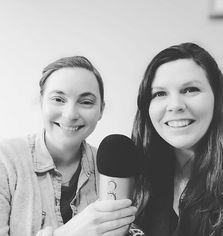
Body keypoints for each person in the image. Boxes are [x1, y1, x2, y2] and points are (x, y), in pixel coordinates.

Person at [0, 56, 137, 236]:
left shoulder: (113, 167)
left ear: (101, 109)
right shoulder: (5, 160)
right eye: (58, 99)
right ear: (42, 101)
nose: (70, 114)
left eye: (86, 102)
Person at [132, 42, 223, 235]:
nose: (175, 105)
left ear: (217, 98)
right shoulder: (134, 182)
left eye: (190, 90)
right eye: (160, 93)